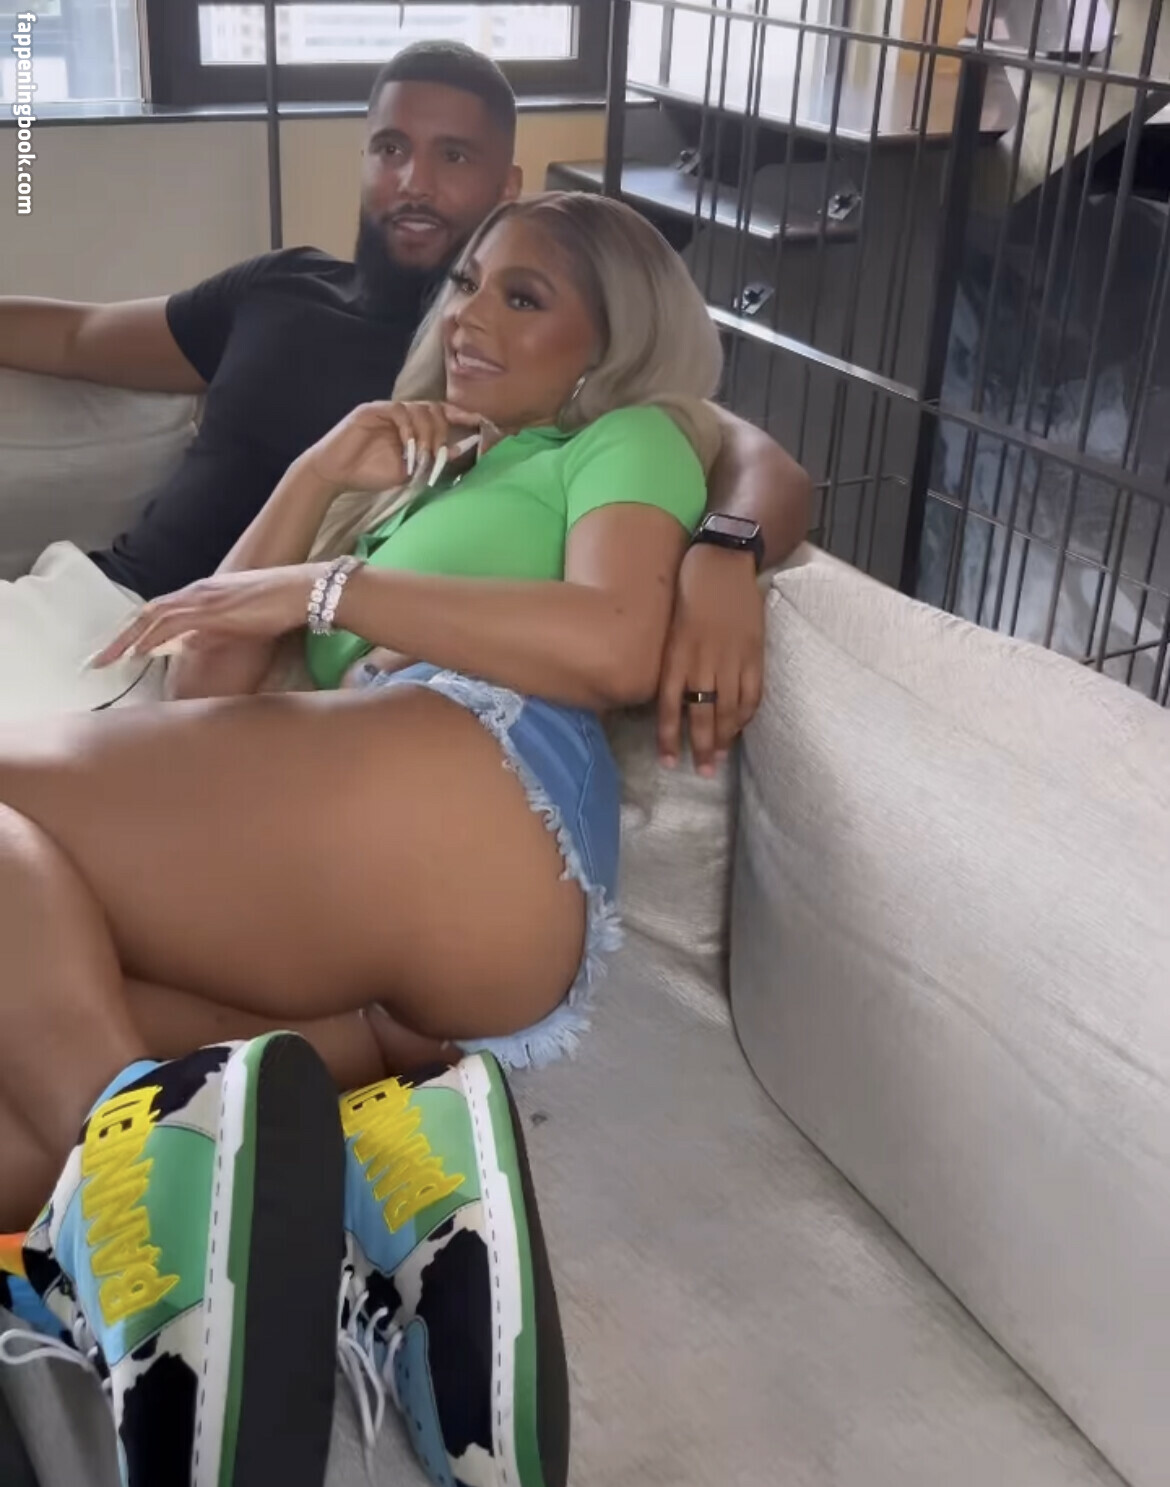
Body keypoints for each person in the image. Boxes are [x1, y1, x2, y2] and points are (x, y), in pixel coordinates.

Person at [0, 189, 734, 1487]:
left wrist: (332, 588)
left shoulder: (628, 436)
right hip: (395, 973)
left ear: (611, 343)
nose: (468, 315)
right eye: (467, 283)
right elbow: (205, 688)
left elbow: (620, 641)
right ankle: (390, 1202)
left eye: (522, 295)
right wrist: (317, 479)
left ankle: (152, 1239)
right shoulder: (421, 478)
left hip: (482, 788)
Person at [0, 41, 811, 773]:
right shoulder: (285, 288)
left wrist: (722, 552)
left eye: (452, 155)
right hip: (84, 602)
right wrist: (317, 473)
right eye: (391, 148)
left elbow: (717, 440)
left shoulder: (518, 380)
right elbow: (78, 337)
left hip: (166, 668)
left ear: (507, 186)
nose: (414, 181)